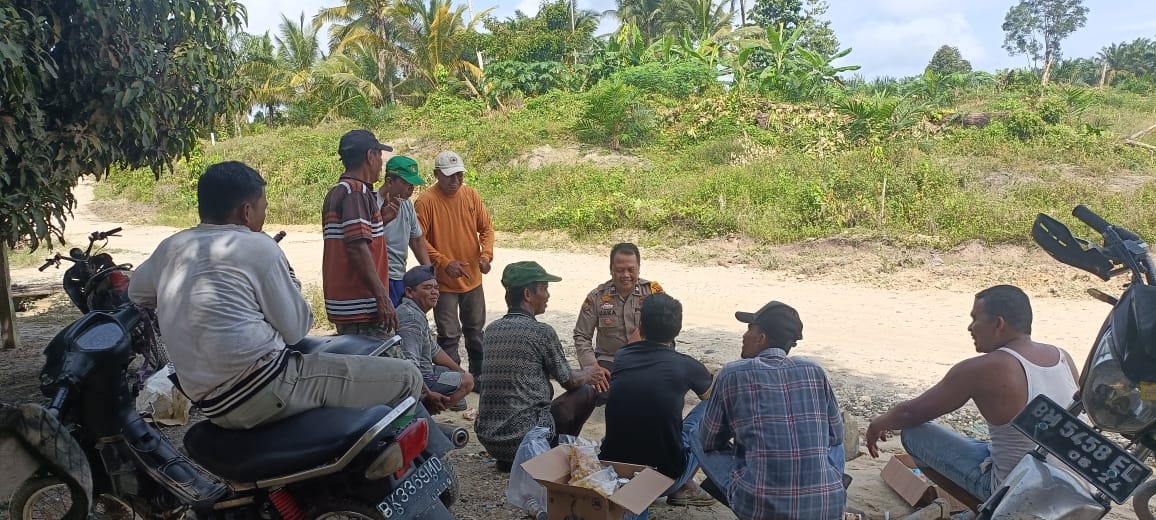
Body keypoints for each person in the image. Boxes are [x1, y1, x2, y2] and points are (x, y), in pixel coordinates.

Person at [128, 161, 423, 431]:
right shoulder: (258, 246)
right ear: (246, 211)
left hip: (210, 402)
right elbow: (297, 330)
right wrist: (289, 274)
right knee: (409, 376)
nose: (264, 215)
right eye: (263, 208)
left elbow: (137, 292)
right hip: (267, 386)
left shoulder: (171, 246)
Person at [866, 285, 1080, 503]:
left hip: (1017, 495)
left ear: (998, 324)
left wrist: (877, 424)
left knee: (913, 434)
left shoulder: (984, 368)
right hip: (1074, 492)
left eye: (975, 318)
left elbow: (910, 414)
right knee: (992, 445)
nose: (970, 327)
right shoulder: (1062, 357)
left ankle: (986, 511)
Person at [691, 301, 847, 520]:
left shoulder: (733, 373)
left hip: (760, 508)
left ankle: (750, 490)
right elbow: (836, 436)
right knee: (834, 441)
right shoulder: (814, 370)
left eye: (749, 329)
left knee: (696, 434)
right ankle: (827, 483)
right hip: (828, 505)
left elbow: (709, 441)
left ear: (761, 338)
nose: (744, 336)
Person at [474, 261, 608, 471]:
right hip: (523, 438)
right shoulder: (542, 332)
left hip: (490, 439)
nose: (547, 295)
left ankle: (511, 461)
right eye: (544, 288)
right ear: (528, 294)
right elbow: (570, 381)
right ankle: (555, 457)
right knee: (586, 392)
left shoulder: (491, 330)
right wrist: (590, 373)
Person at [599, 293, 716, 506]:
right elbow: (711, 396)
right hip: (664, 479)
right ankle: (684, 485)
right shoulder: (687, 365)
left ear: (641, 327)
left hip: (614, 473)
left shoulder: (623, 355)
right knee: (713, 405)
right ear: (677, 330)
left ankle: (683, 487)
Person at [414, 150, 494, 379]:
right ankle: (453, 381)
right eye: (450, 176)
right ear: (437, 174)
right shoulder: (426, 202)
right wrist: (443, 262)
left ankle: (478, 377)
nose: (456, 181)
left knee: (476, 332)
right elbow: (418, 240)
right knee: (449, 335)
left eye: (459, 175)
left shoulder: (470, 195)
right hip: (444, 282)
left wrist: (486, 255)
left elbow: (486, 228)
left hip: (472, 279)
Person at [321, 129, 400, 340]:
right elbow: (357, 248)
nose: (381, 164)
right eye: (380, 156)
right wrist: (382, 298)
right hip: (362, 307)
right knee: (389, 369)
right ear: (370, 156)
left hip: (346, 307)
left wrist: (380, 220)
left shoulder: (339, 191)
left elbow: (351, 240)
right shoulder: (356, 192)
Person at [573, 243, 664, 386]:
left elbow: (667, 331)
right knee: (595, 391)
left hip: (647, 358)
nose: (626, 275)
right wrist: (592, 367)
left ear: (639, 269)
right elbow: (581, 336)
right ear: (611, 270)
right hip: (610, 360)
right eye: (620, 270)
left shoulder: (653, 294)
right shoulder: (596, 297)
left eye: (631, 270)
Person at [397, 265, 474, 414]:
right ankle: (426, 411)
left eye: (436, 288)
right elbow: (409, 364)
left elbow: (434, 350)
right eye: (427, 288)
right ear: (409, 292)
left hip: (426, 373)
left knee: (457, 373)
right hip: (422, 378)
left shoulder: (415, 312)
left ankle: (425, 412)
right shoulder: (410, 318)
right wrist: (427, 394)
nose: (434, 292)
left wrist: (459, 370)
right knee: (467, 382)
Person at [379, 155, 432, 308]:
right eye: (406, 183)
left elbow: (416, 239)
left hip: (399, 277)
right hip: (381, 277)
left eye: (413, 184)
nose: (411, 189)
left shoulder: (407, 205)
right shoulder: (371, 202)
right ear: (389, 181)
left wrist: (429, 272)